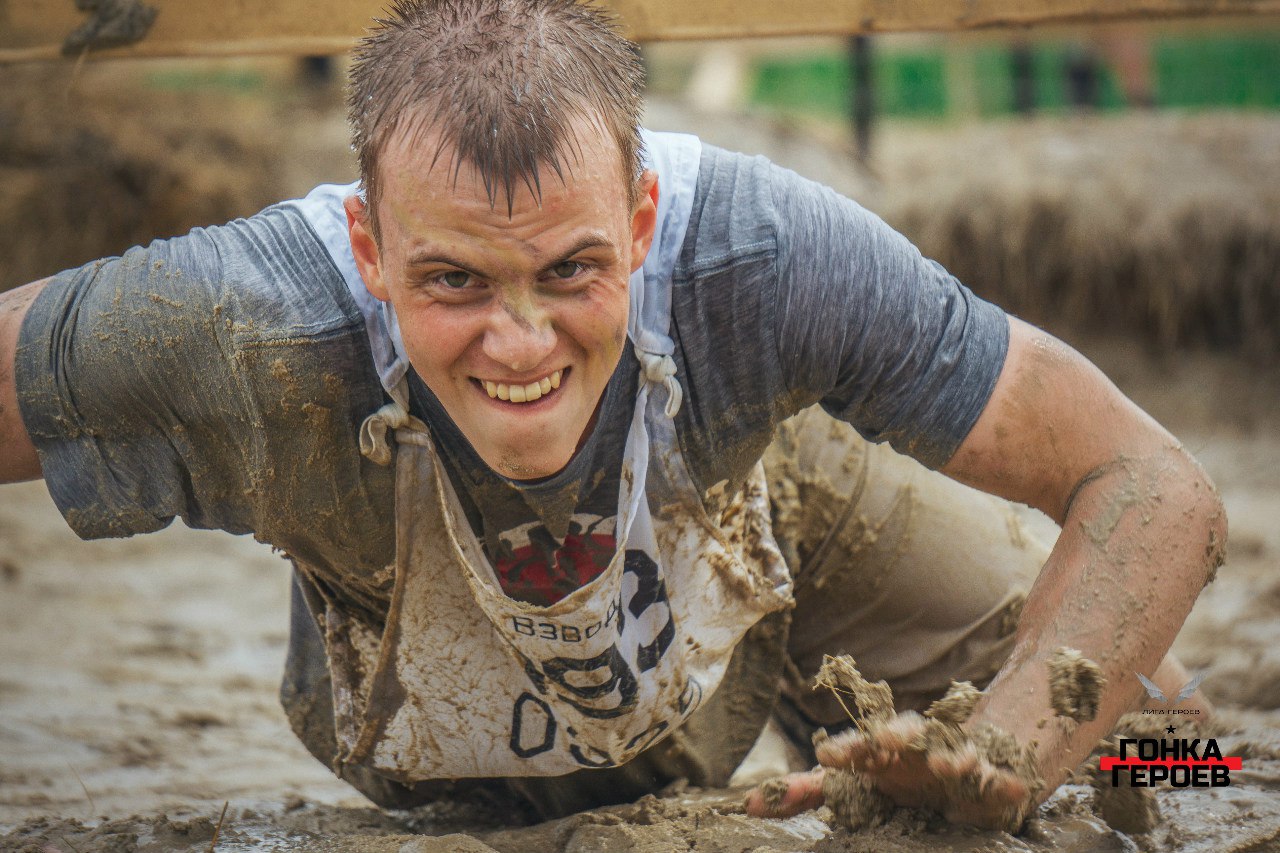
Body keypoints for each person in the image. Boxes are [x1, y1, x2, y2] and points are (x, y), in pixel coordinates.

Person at [0, 0, 1223, 832]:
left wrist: (1001, 760)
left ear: (642, 225)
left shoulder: (768, 256)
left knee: (1164, 739)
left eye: (571, 273)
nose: (520, 344)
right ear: (369, 247)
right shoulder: (240, 323)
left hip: (763, 524)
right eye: (454, 283)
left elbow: (1154, 488)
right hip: (423, 718)